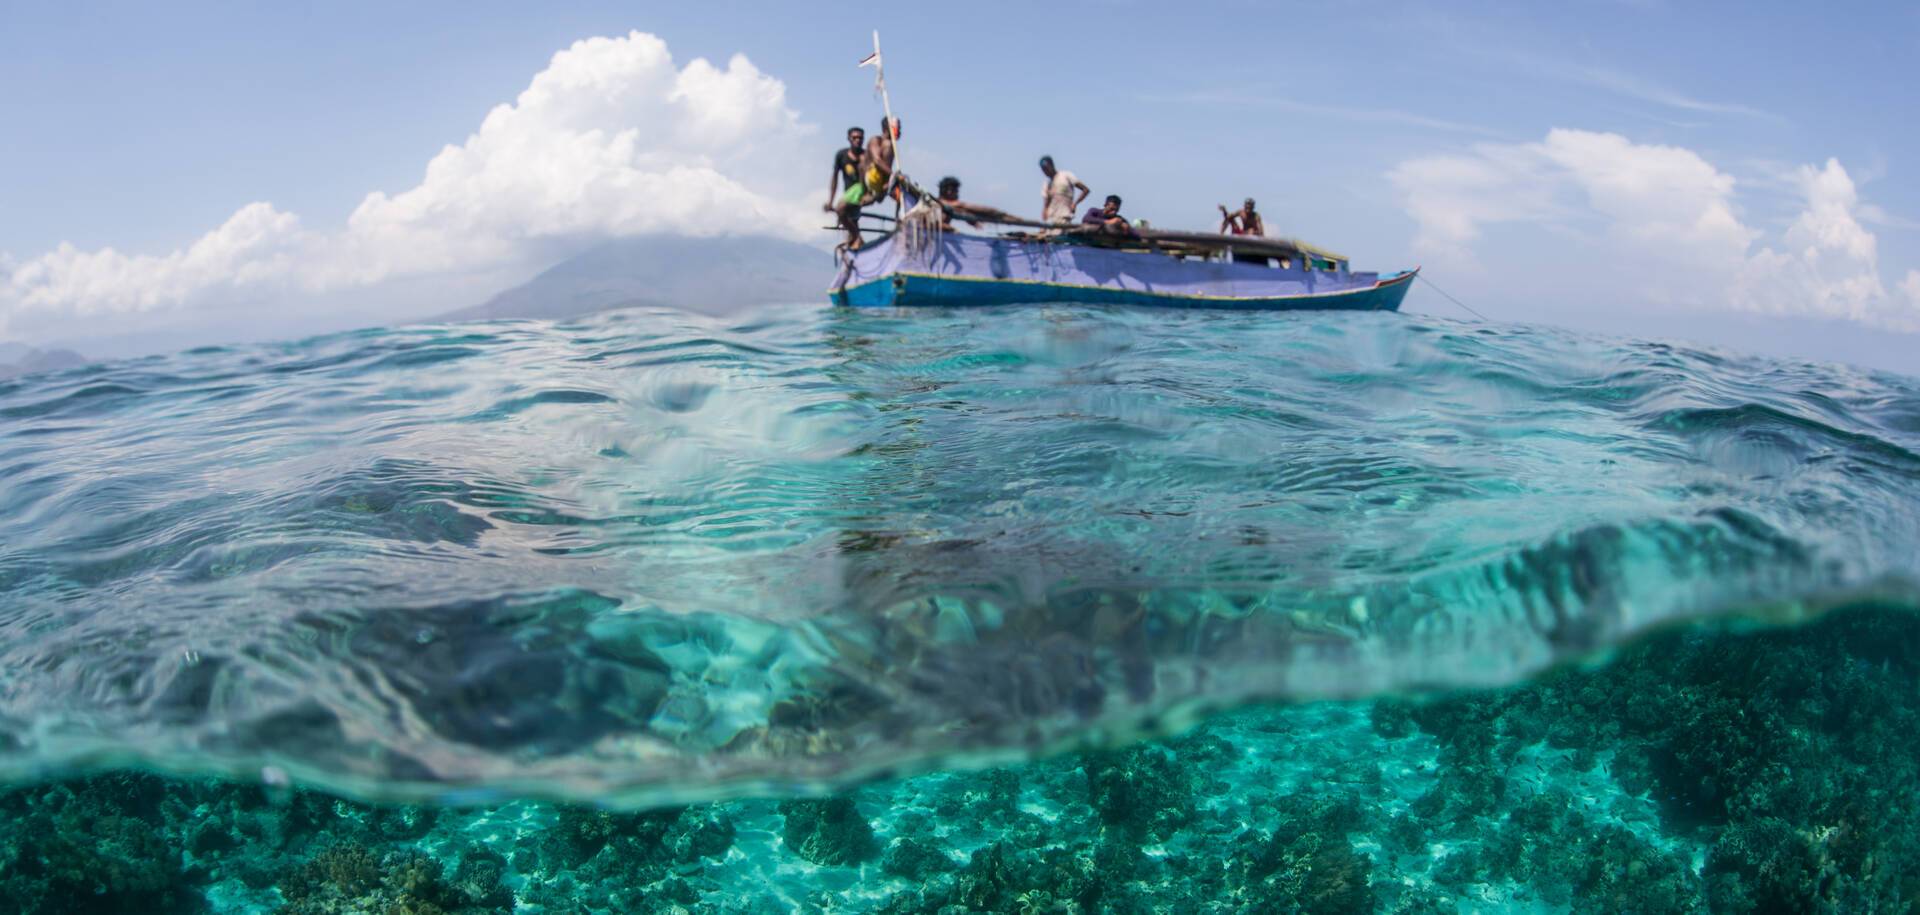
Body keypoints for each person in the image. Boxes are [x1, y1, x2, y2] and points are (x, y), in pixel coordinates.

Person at [826, 126, 867, 247]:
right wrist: (830, 201)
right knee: (849, 221)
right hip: (849, 194)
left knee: (842, 210)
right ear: (849, 138)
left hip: (860, 194)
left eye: (860, 138)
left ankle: (855, 237)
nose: (857, 140)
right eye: (854, 138)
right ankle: (856, 242)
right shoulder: (841, 155)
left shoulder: (865, 156)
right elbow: (835, 178)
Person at [935, 176, 1012, 230]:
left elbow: (960, 212)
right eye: (956, 191)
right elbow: (935, 225)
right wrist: (951, 229)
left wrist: (971, 221)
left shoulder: (949, 206)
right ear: (949, 191)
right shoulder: (944, 204)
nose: (957, 194)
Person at [1040, 156, 1090, 224]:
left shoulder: (1065, 176)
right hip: (1051, 218)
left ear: (1052, 165)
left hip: (1064, 215)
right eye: (1043, 170)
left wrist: (1075, 204)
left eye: (1046, 168)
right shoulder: (1047, 184)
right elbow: (1046, 203)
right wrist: (1045, 211)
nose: (1045, 171)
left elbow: (1085, 190)